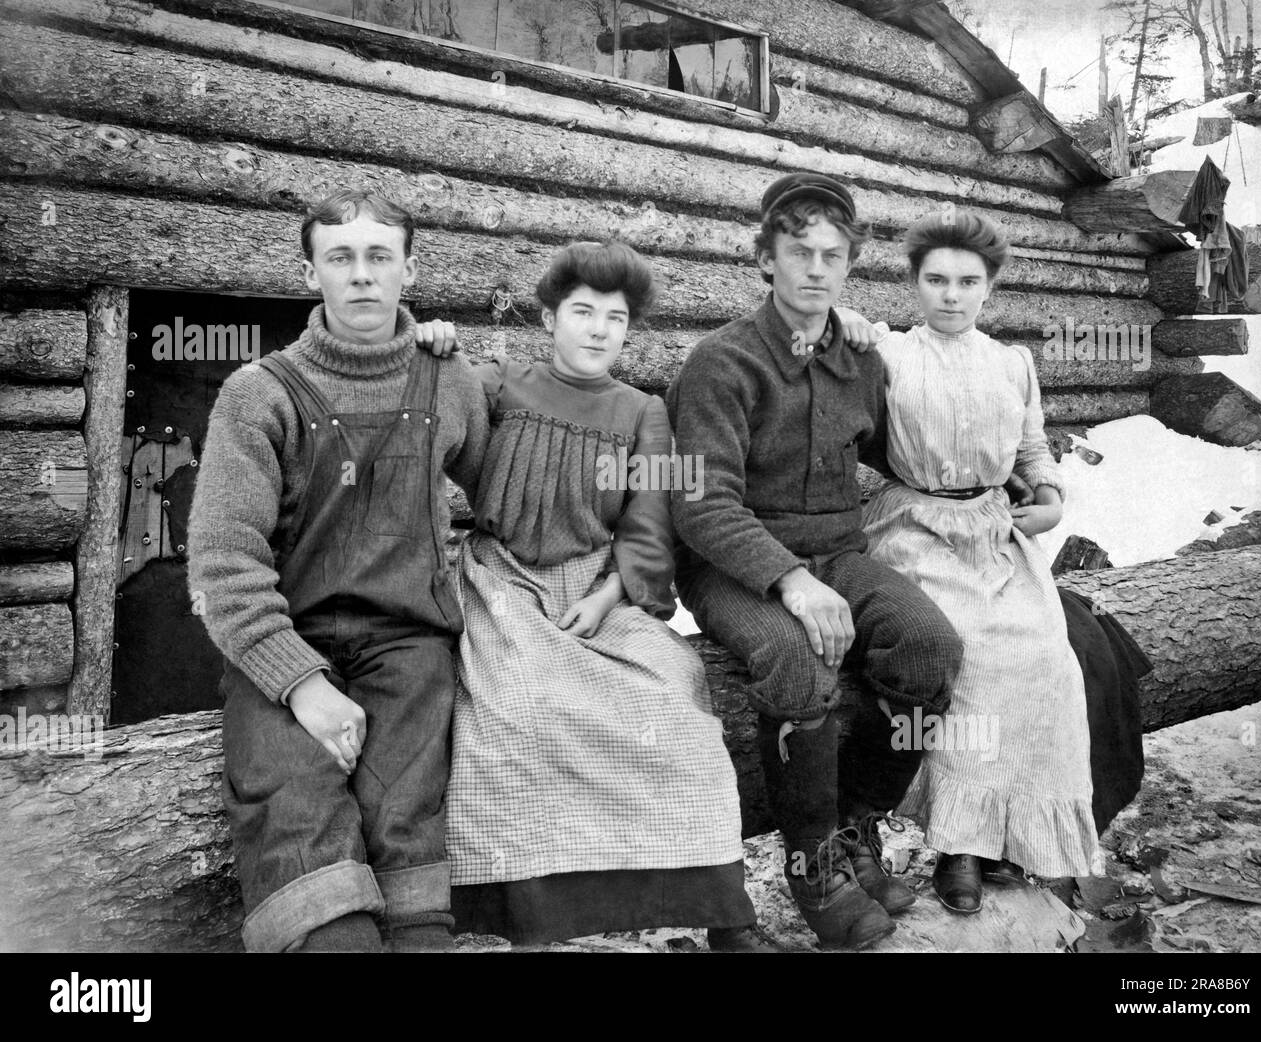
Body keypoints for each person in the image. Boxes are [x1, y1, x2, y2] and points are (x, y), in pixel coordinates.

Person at [436, 240, 775, 952]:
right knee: (515, 710)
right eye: (581, 312)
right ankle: (533, 915)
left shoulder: (643, 412)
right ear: (550, 318)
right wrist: (432, 344)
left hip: (600, 581)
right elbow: (444, 400)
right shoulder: (503, 387)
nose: (596, 330)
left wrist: (609, 596)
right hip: (503, 581)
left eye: (613, 319)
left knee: (675, 696)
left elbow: (651, 516)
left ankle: (722, 912)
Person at [666, 174, 965, 950]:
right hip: (732, 565)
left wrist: (1013, 480)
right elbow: (700, 504)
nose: (816, 270)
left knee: (931, 646)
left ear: (850, 266)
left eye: (834, 256)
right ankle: (809, 864)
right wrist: (791, 582)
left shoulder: (858, 360)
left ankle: (855, 826)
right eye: (798, 252)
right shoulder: (721, 363)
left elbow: (901, 453)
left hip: (838, 552)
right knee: (800, 664)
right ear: (765, 260)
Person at [187, 189, 488, 952]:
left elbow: (515, 495)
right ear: (311, 272)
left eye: (379, 257)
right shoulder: (259, 394)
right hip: (286, 649)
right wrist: (303, 684)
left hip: (409, 648)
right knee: (295, 815)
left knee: (408, 822)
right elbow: (223, 562)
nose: (361, 276)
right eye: (341, 258)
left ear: (408, 269)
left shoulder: (449, 381)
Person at [859, 208, 1105, 914]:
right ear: (913, 283)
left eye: (968, 281)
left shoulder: (1011, 362)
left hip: (997, 530)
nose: (951, 295)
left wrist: (1051, 497)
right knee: (968, 652)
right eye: (935, 279)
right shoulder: (887, 355)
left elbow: (1031, 452)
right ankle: (958, 845)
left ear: (990, 286)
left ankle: (1010, 834)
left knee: (1047, 655)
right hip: (916, 524)